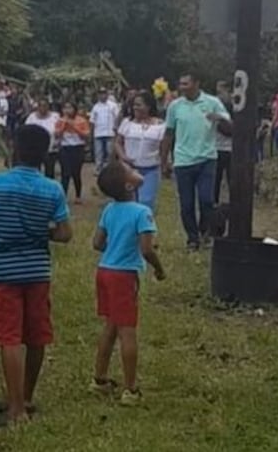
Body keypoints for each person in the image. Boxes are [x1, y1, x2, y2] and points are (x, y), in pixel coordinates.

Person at [0, 124, 72, 428]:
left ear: (14, 148)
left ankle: (15, 409)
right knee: (36, 336)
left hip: (4, 271)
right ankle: (25, 397)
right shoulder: (52, 189)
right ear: (44, 155)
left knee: (10, 338)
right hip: (38, 270)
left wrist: (0, 228)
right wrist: (42, 231)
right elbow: (65, 233)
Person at [89, 161, 165, 406]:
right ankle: (131, 389)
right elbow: (146, 249)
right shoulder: (142, 212)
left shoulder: (109, 210)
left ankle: (99, 379)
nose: (135, 169)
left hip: (104, 271)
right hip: (123, 276)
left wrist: (115, 245)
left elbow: (97, 243)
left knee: (111, 326)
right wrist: (159, 268)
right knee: (128, 330)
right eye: (131, 170)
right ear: (130, 184)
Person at [160, 73, 231, 250]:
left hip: (207, 158)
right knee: (186, 203)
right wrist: (164, 161)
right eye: (181, 84)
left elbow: (229, 125)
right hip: (183, 160)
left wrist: (219, 118)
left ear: (196, 84)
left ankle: (205, 231)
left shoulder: (212, 102)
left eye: (186, 83)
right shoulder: (175, 106)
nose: (182, 87)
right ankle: (192, 237)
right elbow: (168, 133)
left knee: (206, 199)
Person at [115, 93, 166, 212]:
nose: (135, 108)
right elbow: (118, 142)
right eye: (134, 105)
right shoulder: (127, 123)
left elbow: (164, 146)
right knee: (130, 201)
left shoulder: (160, 125)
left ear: (148, 106)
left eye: (139, 105)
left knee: (145, 201)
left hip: (150, 169)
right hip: (130, 169)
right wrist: (123, 156)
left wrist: (164, 162)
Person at [55, 101, 90, 203]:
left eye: (70, 108)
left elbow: (86, 135)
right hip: (65, 148)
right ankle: (63, 196)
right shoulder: (60, 120)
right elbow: (57, 134)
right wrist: (64, 125)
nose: (67, 110)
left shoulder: (81, 120)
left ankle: (78, 195)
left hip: (78, 148)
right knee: (65, 173)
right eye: (65, 108)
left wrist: (74, 126)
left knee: (76, 173)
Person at [24, 99, 60, 179]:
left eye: (45, 106)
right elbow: (26, 131)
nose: (43, 108)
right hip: (35, 149)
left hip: (51, 149)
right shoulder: (32, 117)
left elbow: (59, 129)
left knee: (50, 172)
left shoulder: (55, 116)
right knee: (35, 171)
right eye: (41, 106)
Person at [90, 88, 120, 174]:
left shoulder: (113, 105)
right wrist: (91, 134)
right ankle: (98, 169)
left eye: (104, 93)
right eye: (100, 94)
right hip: (98, 133)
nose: (102, 95)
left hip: (110, 132)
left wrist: (116, 130)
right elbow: (92, 121)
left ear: (107, 94)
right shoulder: (95, 107)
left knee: (110, 153)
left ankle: (108, 170)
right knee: (98, 153)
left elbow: (117, 118)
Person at [213, 80, 233, 205]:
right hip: (230, 147)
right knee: (231, 177)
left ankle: (214, 201)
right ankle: (234, 200)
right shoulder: (234, 102)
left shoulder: (215, 106)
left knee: (216, 177)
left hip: (217, 147)